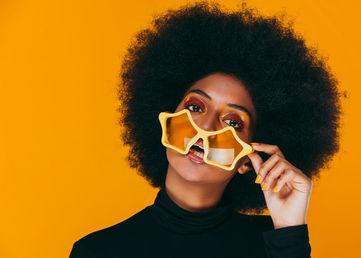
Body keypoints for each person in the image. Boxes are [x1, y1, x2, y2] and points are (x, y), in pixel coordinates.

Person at [69, 1, 343, 257]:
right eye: (195, 107)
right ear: (166, 120)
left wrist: (289, 232)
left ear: (247, 160)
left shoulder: (273, 246)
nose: (206, 127)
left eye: (233, 122)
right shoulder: (96, 250)